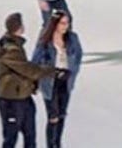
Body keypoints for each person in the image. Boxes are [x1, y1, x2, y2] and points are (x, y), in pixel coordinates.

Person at [0, 11, 60, 148]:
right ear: (18, 28)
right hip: (11, 101)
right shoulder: (11, 49)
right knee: (10, 139)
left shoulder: (15, 45)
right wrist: (50, 71)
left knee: (30, 137)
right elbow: (29, 70)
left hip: (23, 98)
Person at [31, 10, 82, 148]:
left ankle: (57, 143)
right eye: (63, 23)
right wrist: (35, 80)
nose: (66, 26)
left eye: (67, 23)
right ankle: (50, 145)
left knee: (61, 115)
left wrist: (72, 73)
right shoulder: (45, 40)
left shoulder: (72, 38)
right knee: (52, 116)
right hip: (50, 82)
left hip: (65, 80)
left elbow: (78, 57)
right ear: (55, 24)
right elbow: (35, 61)